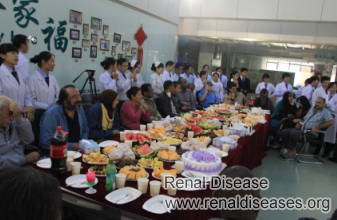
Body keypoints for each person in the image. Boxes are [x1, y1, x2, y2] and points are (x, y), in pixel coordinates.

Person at [39, 85, 89, 151]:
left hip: (79, 150)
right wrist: (72, 146)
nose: (79, 99)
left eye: (79, 96)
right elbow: (45, 141)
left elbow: (85, 129)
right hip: (58, 153)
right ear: (65, 101)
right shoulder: (52, 114)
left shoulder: (79, 109)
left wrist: (83, 143)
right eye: (74, 97)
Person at [28, 51, 60, 146]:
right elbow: (32, 100)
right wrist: (49, 106)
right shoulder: (32, 78)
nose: (54, 64)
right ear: (43, 62)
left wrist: (56, 103)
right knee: (39, 139)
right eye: (52, 61)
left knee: (51, 137)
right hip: (39, 113)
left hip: (52, 113)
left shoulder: (53, 79)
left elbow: (58, 95)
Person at [0, 96, 38, 171]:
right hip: (6, 171)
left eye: (13, 114)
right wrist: (24, 159)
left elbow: (28, 140)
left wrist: (18, 117)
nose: (12, 118)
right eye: (9, 114)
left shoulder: (12, 123)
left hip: (23, 166)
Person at [0, 43, 34, 122]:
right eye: (13, 53)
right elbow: (1, 99)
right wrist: (21, 109)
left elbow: (27, 95)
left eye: (17, 53)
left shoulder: (21, 74)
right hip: (5, 117)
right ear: (2, 55)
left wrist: (29, 108)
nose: (16, 56)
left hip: (21, 117)